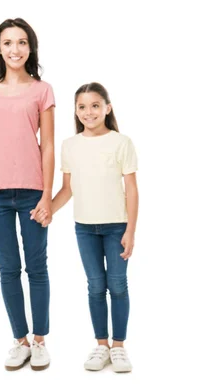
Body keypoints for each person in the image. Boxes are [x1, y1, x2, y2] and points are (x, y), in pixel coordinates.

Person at [0, 18, 55, 372]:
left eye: (22, 42)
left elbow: (48, 146)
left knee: (36, 267)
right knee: (8, 268)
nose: (15, 49)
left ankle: (40, 341)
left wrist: (48, 195)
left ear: (30, 48)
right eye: (8, 43)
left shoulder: (43, 90)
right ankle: (19, 340)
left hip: (33, 189)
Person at [38, 82, 138, 373]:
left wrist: (130, 230)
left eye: (95, 105)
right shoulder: (70, 146)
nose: (89, 112)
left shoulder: (121, 142)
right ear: (75, 111)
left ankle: (119, 347)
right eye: (82, 106)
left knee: (117, 285)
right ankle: (101, 344)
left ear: (107, 108)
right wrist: (48, 211)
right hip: (85, 228)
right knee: (95, 286)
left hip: (116, 226)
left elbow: (131, 190)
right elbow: (67, 189)